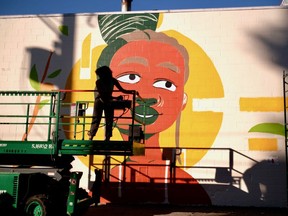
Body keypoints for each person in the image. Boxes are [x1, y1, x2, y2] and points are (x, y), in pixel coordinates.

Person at [88, 66, 133, 141]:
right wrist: (115, 98)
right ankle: (91, 136)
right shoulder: (99, 82)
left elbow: (122, 90)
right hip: (100, 101)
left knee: (108, 120)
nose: (99, 76)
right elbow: (103, 94)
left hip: (107, 101)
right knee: (97, 119)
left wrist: (131, 92)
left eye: (100, 74)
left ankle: (107, 137)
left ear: (104, 74)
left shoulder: (111, 81)